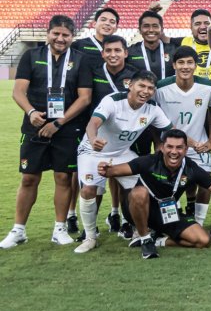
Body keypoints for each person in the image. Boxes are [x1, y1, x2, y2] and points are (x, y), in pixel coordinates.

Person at [98, 129, 211, 258]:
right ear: (162, 148)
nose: (174, 152)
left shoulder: (191, 168)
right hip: (138, 209)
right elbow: (113, 171)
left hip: (167, 213)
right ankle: (145, 239)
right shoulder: (148, 161)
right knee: (138, 192)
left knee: (203, 240)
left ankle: (158, 240)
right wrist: (105, 168)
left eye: (179, 147)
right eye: (170, 147)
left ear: (185, 149)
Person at [1, 15, 93, 250]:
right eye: (56, 33)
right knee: (29, 177)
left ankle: (59, 229)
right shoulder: (31, 55)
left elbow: (84, 98)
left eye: (66, 35)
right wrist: (31, 112)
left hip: (67, 128)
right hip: (35, 125)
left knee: (63, 178)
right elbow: (18, 91)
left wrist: (59, 123)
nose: (60, 38)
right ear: (48, 33)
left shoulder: (81, 60)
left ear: (73, 37)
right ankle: (18, 230)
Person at [72, 70, 172, 253]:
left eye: (150, 88)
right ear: (130, 85)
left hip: (121, 153)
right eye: (141, 86)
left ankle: (139, 230)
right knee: (88, 190)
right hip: (92, 151)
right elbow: (92, 123)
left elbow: (172, 132)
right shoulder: (113, 101)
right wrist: (93, 139)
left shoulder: (153, 108)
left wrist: (195, 144)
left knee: (140, 189)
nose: (146, 91)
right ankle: (90, 237)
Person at [154, 46, 211, 227]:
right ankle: (171, 225)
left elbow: (210, 115)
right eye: (181, 62)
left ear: (196, 65)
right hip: (171, 146)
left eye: (190, 62)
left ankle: (198, 223)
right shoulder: (161, 88)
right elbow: (153, 116)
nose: (185, 66)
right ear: (174, 65)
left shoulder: (207, 87)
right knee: (167, 186)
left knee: (205, 182)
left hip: (199, 145)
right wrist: (158, 143)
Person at [87, 35, 140, 233]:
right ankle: (92, 227)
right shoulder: (94, 72)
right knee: (95, 182)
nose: (113, 54)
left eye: (117, 50)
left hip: (129, 135)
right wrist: (92, 135)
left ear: (125, 53)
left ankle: (126, 220)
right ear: (102, 54)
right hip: (101, 136)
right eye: (108, 51)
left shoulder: (135, 75)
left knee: (125, 177)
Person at [181, 9, 211, 83]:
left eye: (207, 23)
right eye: (197, 24)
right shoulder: (184, 42)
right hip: (194, 86)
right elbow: (164, 39)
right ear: (191, 27)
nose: (203, 27)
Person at [129, 11, 177, 80]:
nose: (151, 30)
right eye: (146, 26)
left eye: (155, 26)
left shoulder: (174, 50)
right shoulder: (130, 52)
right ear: (139, 30)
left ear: (162, 30)